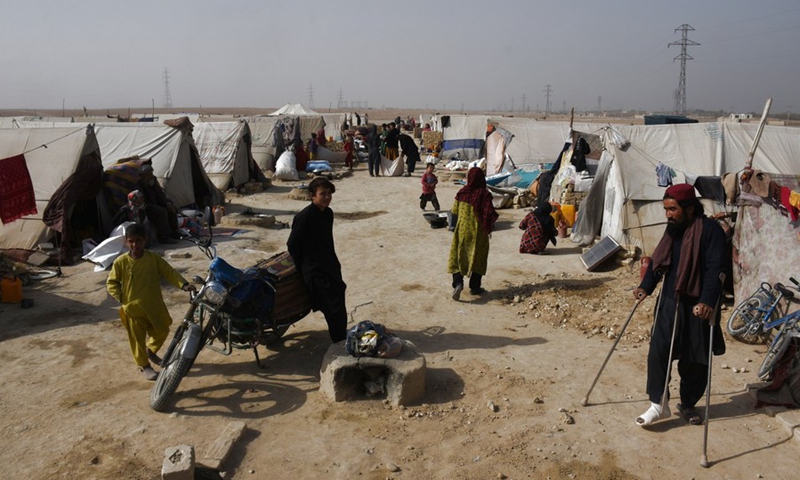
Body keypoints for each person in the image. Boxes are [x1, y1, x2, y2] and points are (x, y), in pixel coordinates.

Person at [633, 183, 726, 426]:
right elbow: (658, 262)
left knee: (694, 359)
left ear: (690, 208)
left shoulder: (710, 231)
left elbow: (716, 269)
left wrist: (707, 300)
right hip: (670, 301)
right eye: (666, 209)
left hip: (697, 305)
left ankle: (687, 403)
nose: (668, 214)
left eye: (672, 209)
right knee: (658, 352)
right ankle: (658, 403)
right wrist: (645, 286)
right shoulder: (672, 230)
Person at [106, 223, 195, 380]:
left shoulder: (153, 258)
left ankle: (150, 350)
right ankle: (144, 365)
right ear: (126, 241)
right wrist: (121, 298)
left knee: (163, 329)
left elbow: (169, 272)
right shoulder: (120, 262)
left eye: (138, 240)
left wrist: (184, 284)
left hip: (154, 305)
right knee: (137, 339)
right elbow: (111, 283)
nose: (135, 245)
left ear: (145, 240)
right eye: (131, 241)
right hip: (132, 309)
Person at [287, 177, 348, 343]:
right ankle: (339, 342)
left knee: (338, 300)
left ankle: (341, 337)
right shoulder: (305, 217)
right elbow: (293, 245)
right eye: (323, 193)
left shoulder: (328, 214)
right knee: (332, 307)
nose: (327, 197)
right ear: (312, 196)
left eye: (329, 193)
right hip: (315, 270)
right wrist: (303, 268)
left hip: (330, 266)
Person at [448, 167, 498, 300]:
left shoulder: (462, 193)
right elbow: (490, 214)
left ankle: (458, 283)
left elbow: (454, 211)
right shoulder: (485, 195)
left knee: (459, 255)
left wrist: (453, 226)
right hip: (479, 233)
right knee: (478, 257)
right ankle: (475, 287)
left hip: (463, 231)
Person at [138, 164, 180, 244]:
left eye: (151, 173)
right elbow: (142, 201)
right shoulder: (139, 185)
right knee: (161, 211)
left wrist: (167, 202)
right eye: (149, 174)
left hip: (155, 203)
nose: (151, 176)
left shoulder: (152, 181)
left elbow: (160, 194)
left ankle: (174, 232)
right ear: (143, 176)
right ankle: (164, 237)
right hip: (146, 207)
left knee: (170, 206)